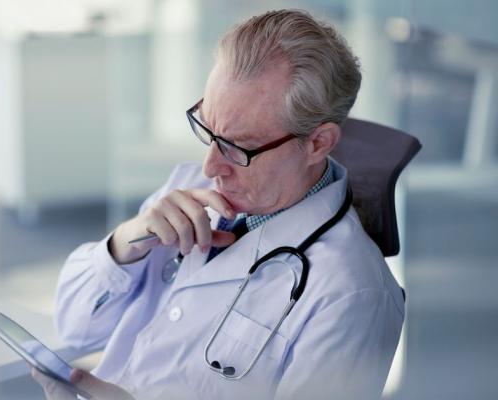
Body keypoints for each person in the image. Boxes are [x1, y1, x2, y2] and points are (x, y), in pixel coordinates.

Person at [42, 9, 404, 400]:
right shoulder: (188, 188)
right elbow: (73, 327)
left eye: (237, 147)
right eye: (208, 128)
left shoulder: (351, 294)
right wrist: (127, 241)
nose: (210, 165)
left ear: (318, 143)